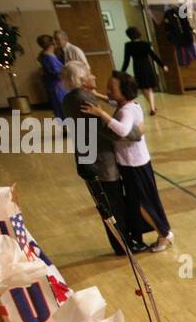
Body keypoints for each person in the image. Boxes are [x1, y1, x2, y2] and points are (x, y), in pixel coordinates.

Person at [81, 71, 174, 252]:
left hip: (134, 165)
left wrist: (101, 114)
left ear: (124, 90)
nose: (107, 91)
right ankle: (163, 232)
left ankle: (164, 234)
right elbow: (113, 102)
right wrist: (97, 95)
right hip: (136, 163)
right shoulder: (130, 104)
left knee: (142, 204)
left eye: (111, 89)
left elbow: (123, 131)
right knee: (144, 202)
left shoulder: (127, 110)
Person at [61, 60, 145, 254]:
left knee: (109, 203)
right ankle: (124, 245)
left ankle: (123, 242)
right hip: (99, 161)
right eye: (90, 73)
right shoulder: (83, 100)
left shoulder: (71, 98)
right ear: (81, 79)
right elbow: (109, 131)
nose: (94, 76)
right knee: (113, 205)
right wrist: (137, 132)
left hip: (87, 156)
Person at [120, 26, 167, 116]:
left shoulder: (128, 45)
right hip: (147, 66)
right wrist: (162, 65)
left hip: (137, 67)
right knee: (149, 88)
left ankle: (152, 106)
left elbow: (126, 60)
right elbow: (153, 56)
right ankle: (152, 107)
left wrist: (122, 72)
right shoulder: (145, 44)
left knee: (143, 88)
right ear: (138, 34)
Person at [37, 35, 67, 119]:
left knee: (60, 108)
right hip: (57, 87)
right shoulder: (49, 58)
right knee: (62, 108)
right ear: (52, 44)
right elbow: (58, 73)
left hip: (55, 86)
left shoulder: (45, 56)